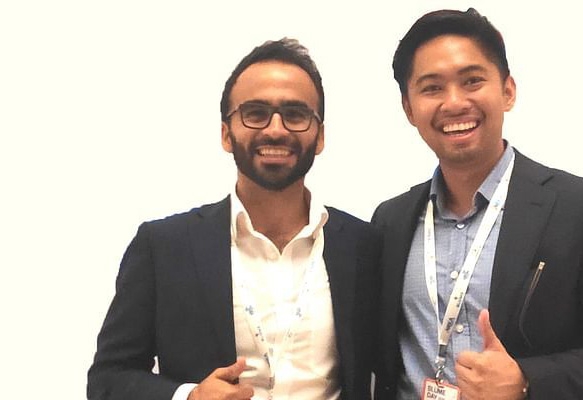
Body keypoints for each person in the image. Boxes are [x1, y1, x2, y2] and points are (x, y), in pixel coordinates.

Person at [371, 8, 583, 400]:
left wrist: (527, 379)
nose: (454, 102)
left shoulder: (582, 209)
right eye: (432, 88)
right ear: (409, 108)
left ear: (507, 91)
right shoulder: (390, 221)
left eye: (472, 81)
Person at [88, 38, 381, 400]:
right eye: (255, 113)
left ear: (319, 136)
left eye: (295, 114)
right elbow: (108, 379)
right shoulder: (163, 246)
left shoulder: (364, 246)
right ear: (226, 134)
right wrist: (188, 396)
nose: (276, 130)